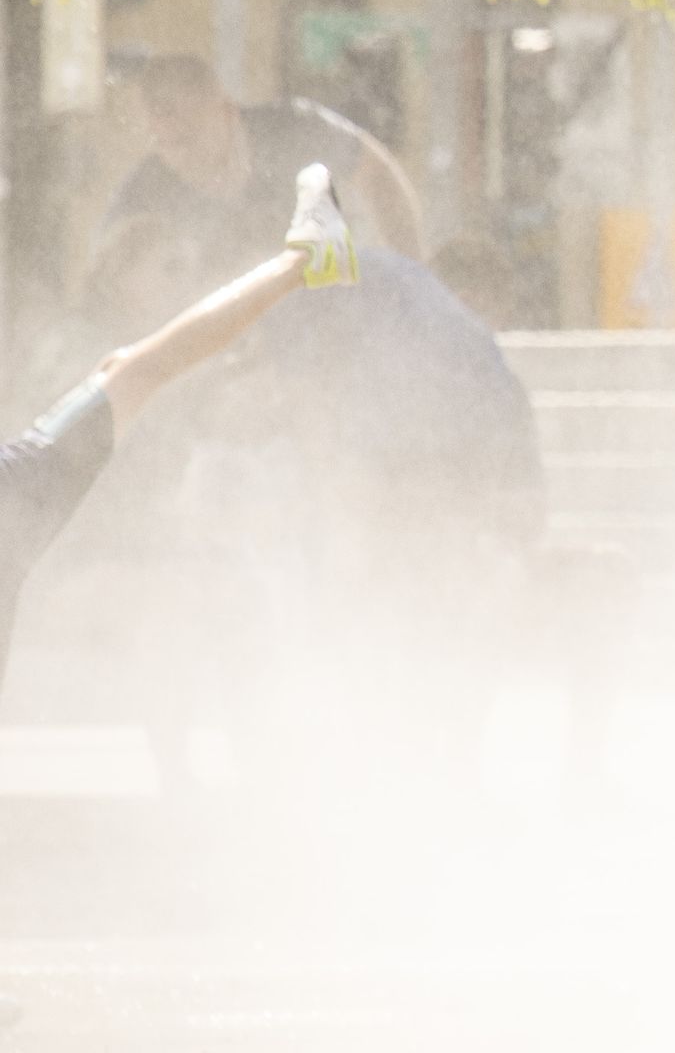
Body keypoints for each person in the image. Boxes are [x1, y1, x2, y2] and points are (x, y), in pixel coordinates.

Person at [0, 166, 357, 684]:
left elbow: (144, 375)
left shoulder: (21, 484)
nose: (181, 280)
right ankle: (303, 261)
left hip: (107, 551)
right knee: (131, 373)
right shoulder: (19, 486)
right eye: (168, 268)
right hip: (86, 568)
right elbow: (146, 373)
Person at [108, 54, 425, 292]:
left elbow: (378, 175)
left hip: (325, 305)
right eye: (165, 144)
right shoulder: (147, 189)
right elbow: (107, 273)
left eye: (189, 138)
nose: (179, 158)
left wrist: (412, 275)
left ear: (227, 112)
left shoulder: (293, 131)